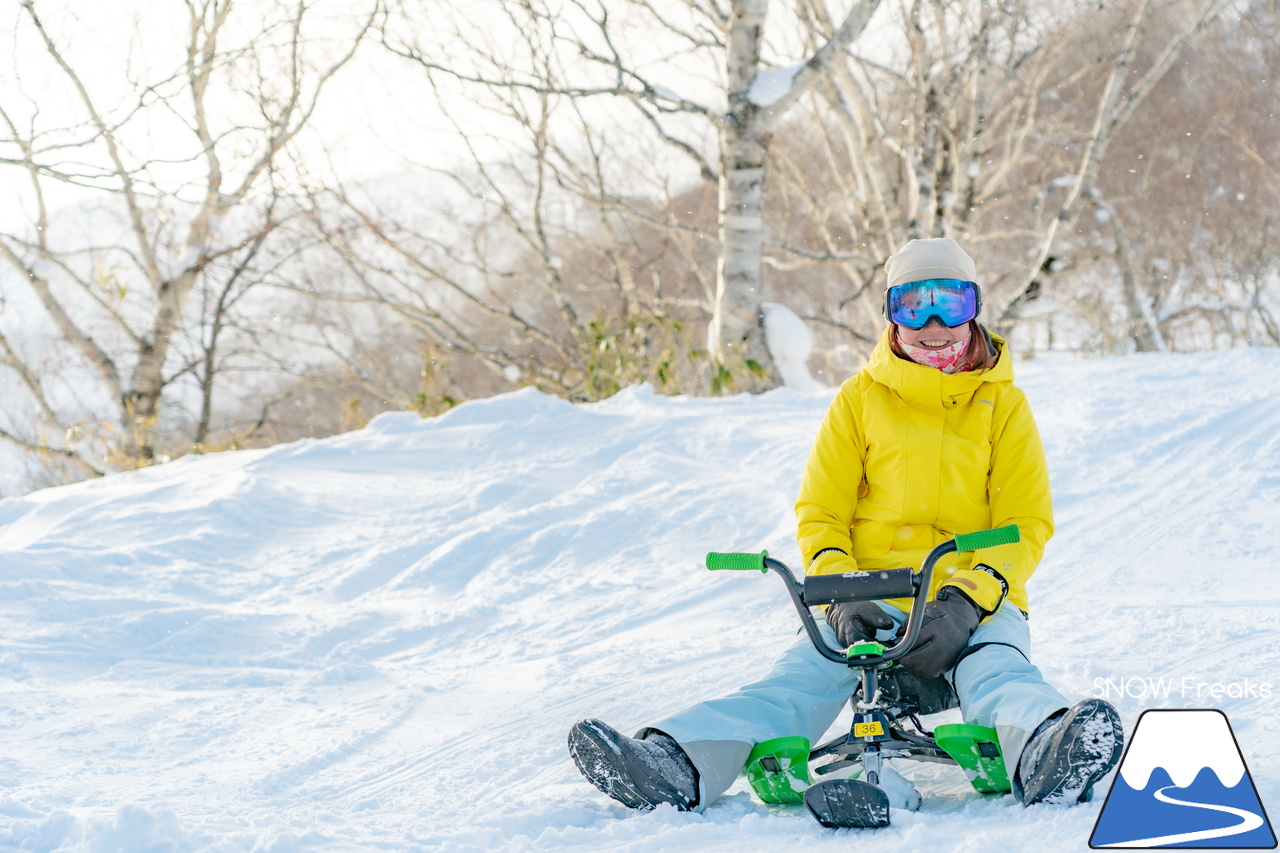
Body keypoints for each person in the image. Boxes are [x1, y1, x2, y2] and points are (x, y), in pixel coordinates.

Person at [567, 238, 1123, 813]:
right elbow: (822, 512)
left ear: (974, 308)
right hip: (870, 597)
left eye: (950, 305)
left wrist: (968, 596)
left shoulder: (1003, 405)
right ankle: (676, 763)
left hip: (969, 598)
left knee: (997, 671)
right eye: (914, 307)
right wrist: (838, 589)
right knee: (796, 681)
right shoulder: (859, 400)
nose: (933, 325)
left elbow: (1025, 521)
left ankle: (1046, 749)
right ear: (891, 314)